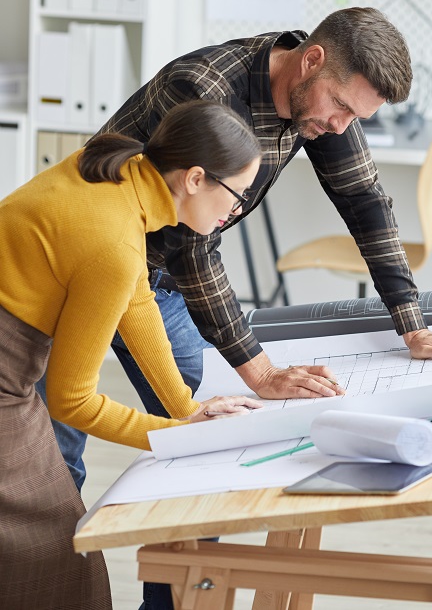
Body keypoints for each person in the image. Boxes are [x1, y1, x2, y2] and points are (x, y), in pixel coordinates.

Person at [44, 6, 432, 494]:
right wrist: (259, 370)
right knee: (53, 465)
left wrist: (412, 324)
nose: (343, 126)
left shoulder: (320, 105)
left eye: (356, 117)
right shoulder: (205, 89)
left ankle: (187, 572)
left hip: (149, 285)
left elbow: (364, 202)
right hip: (72, 268)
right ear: (312, 60)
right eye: (342, 107)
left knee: (210, 450)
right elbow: (193, 247)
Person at [0, 100, 273, 610]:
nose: (233, 213)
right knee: (54, 547)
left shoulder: (121, 170)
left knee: (54, 537)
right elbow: (73, 403)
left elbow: (138, 299)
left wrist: (185, 408)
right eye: (236, 196)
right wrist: (179, 438)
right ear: (194, 178)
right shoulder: (113, 244)